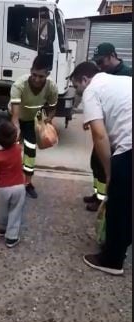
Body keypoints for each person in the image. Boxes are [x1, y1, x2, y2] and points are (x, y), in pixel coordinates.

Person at [71, 62, 132, 275]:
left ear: (85, 80)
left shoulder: (92, 90)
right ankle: (124, 241)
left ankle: (112, 260)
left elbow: (99, 135)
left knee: (118, 203)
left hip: (130, 146)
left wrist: (109, 172)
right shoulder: (122, 81)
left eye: (77, 86)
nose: (78, 92)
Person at [83, 42, 132, 212]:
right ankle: (99, 195)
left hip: (120, 133)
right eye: (97, 63)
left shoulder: (128, 73)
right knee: (96, 162)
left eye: (102, 61)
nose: (99, 66)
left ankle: (106, 201)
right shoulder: (103, 74)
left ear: (112, 56)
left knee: (112, 169)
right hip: (105, 127)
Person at [9, 55, 58, 199]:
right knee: (13, 150)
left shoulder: (51, 87)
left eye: (41, 76)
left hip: (33, 119)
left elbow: (53, 107)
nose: (37, 79)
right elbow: (15, 117)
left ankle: (27, 184)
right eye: (34, 75)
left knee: (30, 151)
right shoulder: (19, 85)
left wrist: (48, 120)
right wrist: (16, 132)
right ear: (30, 71)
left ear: (48, 74)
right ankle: (12, 181)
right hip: (17, 117)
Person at [0, 122, 26, 248]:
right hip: (19, 187)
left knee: (2, 210)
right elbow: (20, 140)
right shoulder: (18, 149)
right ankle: (11, 237)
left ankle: (2, 229)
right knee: (15, 211)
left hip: (3, 189)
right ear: (14, 138)